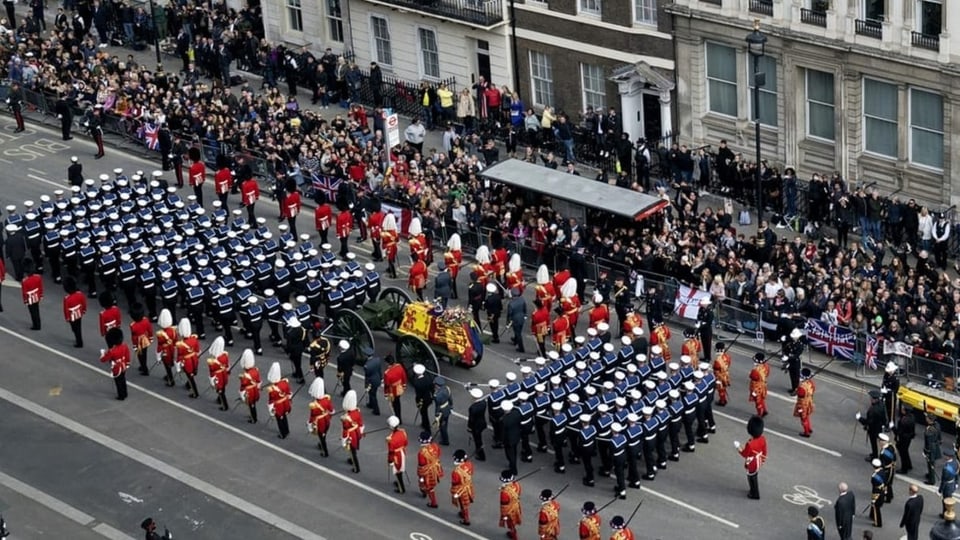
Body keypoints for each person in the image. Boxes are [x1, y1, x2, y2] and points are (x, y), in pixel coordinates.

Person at [735, 415, 767, 500]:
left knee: (751, 477)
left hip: (752, 463)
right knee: (754, 476)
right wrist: (763, 460)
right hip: (759, 460)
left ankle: (754, 493)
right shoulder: (762, 439)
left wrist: (738, 448)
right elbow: (764, 450)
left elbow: (745, 454)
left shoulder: (750, 443)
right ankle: (754, 491)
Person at [99, 327, 130, 400]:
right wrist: (127, 364)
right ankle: (125, 393)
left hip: (116, 368)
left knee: (118, 382)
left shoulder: (112, 351)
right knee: (123, 379)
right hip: (124, 365)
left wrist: (103, 353)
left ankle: (121, 395)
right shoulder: (124, 346)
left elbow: (103, 359)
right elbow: (127, 356)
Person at [266, 361, 292, 439]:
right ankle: (287, 430)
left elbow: (271, 400)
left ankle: (282, 433)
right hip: (285, 403)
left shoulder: (272, 389)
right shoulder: (285, 383)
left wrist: (271, 409)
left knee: (279, 419)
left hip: (278, 406)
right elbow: (289, 393)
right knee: (284, 417)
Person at [175, 318, 201, 399]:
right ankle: (188, 384)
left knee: (190, 376)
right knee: (192, 373)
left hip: (187, 361)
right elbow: (197, 350)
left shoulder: (181, 344)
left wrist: (178, 366)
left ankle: (195, 392)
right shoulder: (194, 339)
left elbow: (179, 356)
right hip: (194, 359)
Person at [417, 431, 443, 508]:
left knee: (426, 484)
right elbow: (438, 454)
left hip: (427, 471)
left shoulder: (421, 453)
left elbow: (421, 464)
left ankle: (433, 502)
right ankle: (425, 491)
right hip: (435, 468)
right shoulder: (435, 446)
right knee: (429, 485)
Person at [858, 390, 886, 460]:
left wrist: (860, 418)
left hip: (873, 429)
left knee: (873, 442)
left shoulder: (874, 410)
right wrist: (884, 424)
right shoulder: (881, 404)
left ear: (875, 399)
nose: (870, 399)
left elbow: (868, 422)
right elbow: (884, 417)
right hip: (879, 427)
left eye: (871, 398)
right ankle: (876, 454)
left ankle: (875, 456)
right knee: (877, 442)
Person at [341, 389, 364, 473]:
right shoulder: (357, 412)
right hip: (356, 432)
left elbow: (345, 430)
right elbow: (361, 424)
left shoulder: (346, 418)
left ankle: (356, 468)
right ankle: (351, 460)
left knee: (352, 451)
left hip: (350, 435)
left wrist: (344, 440)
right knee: (353, 449)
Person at [450, 450, 474, 525]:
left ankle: (466, 520)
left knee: (463, 504)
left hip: (460, 489)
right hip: (468, 486)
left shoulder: (456, 471)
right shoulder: (469, 464)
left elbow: (455, 482)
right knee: (464, 503)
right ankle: (462, 513)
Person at [206, 337, 230, 411]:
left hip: (218, 376)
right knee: (223, 387)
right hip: (224, 374)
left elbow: (212, 371)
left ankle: (224, 405)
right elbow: (227, 365)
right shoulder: (225, 356)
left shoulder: (213, 360)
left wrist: (212, 379)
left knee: (220, 390)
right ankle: (219, 399)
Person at [63, 276, 88, 347]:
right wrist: (83, 310)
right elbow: (83, 302)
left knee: (75, 328)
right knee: (77, 328)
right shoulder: (80, 294)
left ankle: (79, 342)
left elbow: (66, 309)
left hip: (72, 315)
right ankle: (78, 339)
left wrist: (67, 318)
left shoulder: (67, 298)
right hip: (79, 313)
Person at [155, 309, 178, 387]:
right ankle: (169, 376)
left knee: (167, 365)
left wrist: (158, 356)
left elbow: (159, 346)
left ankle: (170, 380)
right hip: (172, 349)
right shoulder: (173, 330)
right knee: (170, 363)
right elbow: (175, 341)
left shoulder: (161, 334)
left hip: (165, 351)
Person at [386, 415, 408, 493]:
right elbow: (406, 443)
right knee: (400, 469)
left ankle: (401, 488)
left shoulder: (391, 440)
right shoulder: (403, 432)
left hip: (396, 455)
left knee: (397, 470)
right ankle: (399, 483)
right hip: (402, 452)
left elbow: (391, 451)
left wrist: (390, 460)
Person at [129, 303, 153, 376]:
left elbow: (133, 337)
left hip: (139, 342)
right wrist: (151, 338)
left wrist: (134, 346)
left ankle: (144, 369)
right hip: (145, 339)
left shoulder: (133, 325)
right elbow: (150, 330)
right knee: (144, 354)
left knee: (140, 356)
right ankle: (143, 366)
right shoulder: (146, 320)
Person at [238, 349, 261, 424]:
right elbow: (258, 380)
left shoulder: (246, 375)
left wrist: (241, 378)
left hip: (249, 391)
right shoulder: (255, 370)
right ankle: (253, 416)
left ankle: (253, 418)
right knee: (253, 404)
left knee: (251, 405)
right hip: (255, 390)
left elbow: (244, 383)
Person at [383, 354, 407, 421]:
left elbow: (387, 385)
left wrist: (386, 394)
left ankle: (397, 417)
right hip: (399, 387)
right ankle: (399, 416)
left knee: (394, 404)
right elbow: (403, 376)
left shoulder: (387, 373)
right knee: (398, 403)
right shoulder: (399, 366)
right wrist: (404, 385)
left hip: (392, 390)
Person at [499, 470, 522, 540]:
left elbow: (504, 505)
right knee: (513, 522)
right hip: (516, 506)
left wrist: (504, 515)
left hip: (509, 510)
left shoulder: (504, 493)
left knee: (511, 524)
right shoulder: (517, 485)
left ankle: (514, 536)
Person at [501, 399, 521, 476]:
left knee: (510, 454)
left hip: (508, 439)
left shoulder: (504, 420)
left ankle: (513, 468)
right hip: (516, 435)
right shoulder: (516, 413)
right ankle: (513, 465)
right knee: (514, 451)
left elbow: (503, 432)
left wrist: (502, 440)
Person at [467, 387, 487, 461]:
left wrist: (469, 427)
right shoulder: (483, 403)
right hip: (482, 423)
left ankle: (481, 455)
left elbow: (471, 419)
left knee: (478, 440)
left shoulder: (472, 408)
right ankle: (479, 451)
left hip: (476, 426)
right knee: (478, 439)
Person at [412, 363, 433, 434]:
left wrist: (418, 401)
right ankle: (424, 423)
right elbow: (432, 387)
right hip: (428, 398)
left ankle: (427, 429)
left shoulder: (417, 382)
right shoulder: (428, 377)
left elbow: (418, 395)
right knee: (424, 413)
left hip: (422, 400)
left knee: (424, 414)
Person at [21, 259, 42, 330]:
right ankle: (38, 324)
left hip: (30, 298)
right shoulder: (38, 277)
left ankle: (35, 325)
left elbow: (24, 292)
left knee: (32, 312)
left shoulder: (25, 281)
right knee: (37, 310)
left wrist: (25, 301)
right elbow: (40, 287)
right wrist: (41, 295)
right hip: (37, 295)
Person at [795, 367, 815, 437]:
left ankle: (806, 432)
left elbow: (800, 395)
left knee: (803, 418)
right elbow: (813, 390)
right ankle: (809, 428)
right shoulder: (810, 383)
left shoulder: (802, 387)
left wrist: (797, 390)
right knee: (807, 416)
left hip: (802, 404)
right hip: (809, 402)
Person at [896, 403, 916, 474]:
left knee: (903, 453)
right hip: (909, 437)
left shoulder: (903, 421)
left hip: (903, 438)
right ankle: (908, 464)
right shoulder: (912, 417)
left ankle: (904, 469)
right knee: (905, 451)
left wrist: (892, 428)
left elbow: (899, 432)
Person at [748, 353, 769, 417]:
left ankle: (760, 413)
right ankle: (764, 410)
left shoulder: (755, 370)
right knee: (761, 399)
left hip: (756, 387)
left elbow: (752, 377)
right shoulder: (766, 366)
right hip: (763, 385)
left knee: (758, 401)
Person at [924, 413, 943, 485]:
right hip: (935, 445)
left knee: (930, 464)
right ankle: (930, 474)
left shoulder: (930, 430)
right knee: (931, 463)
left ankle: (931, 480)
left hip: (931, 448)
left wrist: (926, 451)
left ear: (929, 419)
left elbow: (928, 442)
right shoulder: (937, 425)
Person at [433, 376, 452, 445]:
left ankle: (445, 440)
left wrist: (437, 414)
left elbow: (437, 406)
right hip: (447, 408)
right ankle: (443, 434)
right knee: (445, 423)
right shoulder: (447, 389)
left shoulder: (437, 395)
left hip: (442, 412)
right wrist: (451, 406)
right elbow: (450, 399)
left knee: (442, 426)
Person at [878, 433, 897, 502]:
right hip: (891, 468)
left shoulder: (884, 453)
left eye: (880, 441)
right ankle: (890, 495)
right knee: (889, 484)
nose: (879, 442)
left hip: (886, 469)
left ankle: (886, 497)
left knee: (885, 483)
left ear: (883, 442)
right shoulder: (891, 446)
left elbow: (883, 464)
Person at [507, 288, 526, 353]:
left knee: (518, 333)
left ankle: (521, 348)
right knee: (519, 331)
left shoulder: (511, 303)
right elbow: (524, 309)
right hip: (522, 318)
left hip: (515, 319)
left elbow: (509, 314)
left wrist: (508, 322)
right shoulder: (522, 300)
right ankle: (515, 340)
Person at [881, 361, 901, 427]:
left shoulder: (895, 379)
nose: (888, 372)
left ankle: (891, 424)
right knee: (884, 410)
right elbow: (884, 382)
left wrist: (888, 391)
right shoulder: (886, 375)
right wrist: (883, 388)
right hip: (885, 395)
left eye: (889, 371)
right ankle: (885, 422)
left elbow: (895, 390)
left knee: (891, 412)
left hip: (891, 397)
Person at [870, 458, 888, 527]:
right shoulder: (882, 471)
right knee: (876, 507)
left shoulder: (874, 477)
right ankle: (872, 515)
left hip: (877, 493)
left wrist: (874, 498)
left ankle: (878, 523)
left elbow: (874, 487)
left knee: (876, 508)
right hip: (882, 491)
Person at [940, 449, 958, 518]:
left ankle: (946, 514)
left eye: (945, 456)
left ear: (948, 457)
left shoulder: (946, 468)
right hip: (952, 484)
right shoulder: (955, 463)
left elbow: (943, 481)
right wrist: (956, 482)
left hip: (947, 487)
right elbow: (956, 473)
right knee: (949, 500)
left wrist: (940, 490)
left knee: (945, 501)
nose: (944, 457)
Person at [712, 342, 731, 406]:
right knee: (723, 388)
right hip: (726, 374)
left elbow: (716, 369)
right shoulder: (727, 356)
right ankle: (723, 399)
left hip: (720, 376)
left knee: (720, 389)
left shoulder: (717, 360)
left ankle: (722, 400)